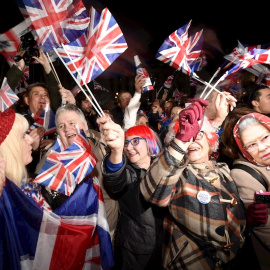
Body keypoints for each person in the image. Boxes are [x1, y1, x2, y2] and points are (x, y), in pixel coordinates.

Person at [140, 99, 248, 269]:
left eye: (199, 135)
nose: (192, 141)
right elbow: (154, 193)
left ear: (211, 141)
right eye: (187, 136)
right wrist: (181, 140)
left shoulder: (224, 170)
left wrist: (249, 219)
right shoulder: (177, 173)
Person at [0, 108, 114, 269]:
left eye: (73, 123)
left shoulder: (105, 146)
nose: (30, 140)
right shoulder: (9, 192)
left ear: (85, 126)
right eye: (61, 126)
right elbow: (43, 228)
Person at [98, 116, 164, 270]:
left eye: (135, 141)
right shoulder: (128, 173)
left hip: (165, 249)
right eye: (126, 143)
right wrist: (116, 150)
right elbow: (115, 178)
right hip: (134, 254)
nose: (128, 147)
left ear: (149, 143)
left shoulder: (162, 168)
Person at [222, 109, 270, 269]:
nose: (263, 147)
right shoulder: (243, 174)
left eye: (266, 137)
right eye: (251, 145)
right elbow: (264, 229)